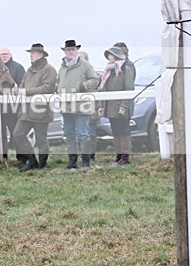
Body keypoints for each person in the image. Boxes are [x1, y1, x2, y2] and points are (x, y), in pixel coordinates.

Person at [11, 43, 58, 172]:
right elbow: (22, 85)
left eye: (34, 53)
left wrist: (25, 91)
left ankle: (42, 164)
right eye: (30, 53)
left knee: (41, 139)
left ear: (41, 55)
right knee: (18, 134)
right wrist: (18, 90)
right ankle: (32, 161)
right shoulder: (29, 70)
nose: (31, 55)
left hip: (41, 110)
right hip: (26, 111)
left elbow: (47, 88)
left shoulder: (50, 70)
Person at [56, 39, 99, 169]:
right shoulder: (62, 67)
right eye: (68, 50)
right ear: (65, 51)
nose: (70, 52)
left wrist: (83, 86)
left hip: (81, 106)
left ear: (77, 51)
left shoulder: (85, 65)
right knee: (69, 133)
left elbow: (95, 80)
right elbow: (59, 82)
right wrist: (57, 89)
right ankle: (72, 161)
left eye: (73, 49)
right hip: (66, 106)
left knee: (83, 134)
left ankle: (86, 162)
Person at [99, 45, 135, 165]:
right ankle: (118, 156)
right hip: (111, 108)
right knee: (116, 132)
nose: (109, 57)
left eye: (111, 55)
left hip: (121, 107)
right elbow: (104, 89)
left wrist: (123, 106)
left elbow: (128, 89)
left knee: (123, 131)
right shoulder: (109, 71)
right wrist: (102, 105)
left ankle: (125, 157)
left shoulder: (126, 70)